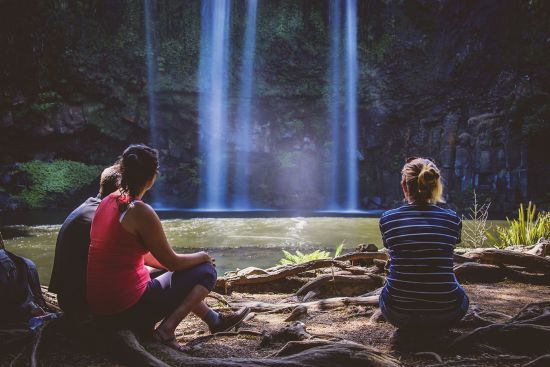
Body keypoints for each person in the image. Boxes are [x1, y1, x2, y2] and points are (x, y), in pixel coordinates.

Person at [86, 144, 249, 352]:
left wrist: (180, 264)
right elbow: (172, 262)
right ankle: (166, 332)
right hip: (124, 311)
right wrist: (202, 256)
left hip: (101, 309)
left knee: (175, 271)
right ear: (153, 177)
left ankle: (214, 320)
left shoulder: (108, 201)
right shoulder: (140, 211)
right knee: (206, 272)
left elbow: (146, 258)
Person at [378, 157, 469, 331]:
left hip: (398, 313)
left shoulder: (388, 219)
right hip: (446, 312)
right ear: (435, 186)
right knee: (459, 289)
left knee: (385, 290)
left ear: (404, 186)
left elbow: (391, 249)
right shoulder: (452, 219)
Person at [49, 164, 120, 319]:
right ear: (121, 189)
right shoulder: (104, 217)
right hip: (85, 305)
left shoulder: (86, 208)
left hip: (67, 300)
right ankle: (160, 331)